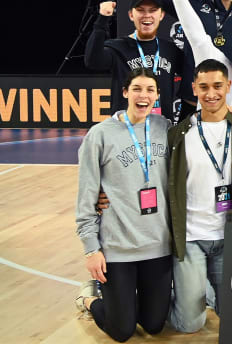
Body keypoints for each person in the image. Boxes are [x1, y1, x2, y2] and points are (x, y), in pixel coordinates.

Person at [75, 69, 171, 342]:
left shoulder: (165, 127)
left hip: (158, 245)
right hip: (118, 249)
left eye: (150, 90)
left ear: (157, 95)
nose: (144, 95)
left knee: (153, 325)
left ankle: (131, 302)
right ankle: (88, 299)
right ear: (126, 92)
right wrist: (90, 249)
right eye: (138, 89)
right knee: (122, 331)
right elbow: (86, 197)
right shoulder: (100, 135)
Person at [166, 59, 232, 333]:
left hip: (228, 237)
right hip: (191, 238)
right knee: (190, 325)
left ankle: (203, 289)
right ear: (194, 87)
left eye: (218, 86)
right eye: (204, 87)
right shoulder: (178, 134)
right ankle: (181, 293)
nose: (211, 94)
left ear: (228, 86)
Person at [85, 0, 181, 120]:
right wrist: (102, 19)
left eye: (152, 10)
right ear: (131, 15)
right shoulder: (117, 47)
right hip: (126, 128)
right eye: (140, 10)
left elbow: (193, 76)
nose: (147, 15)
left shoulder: (171, 50)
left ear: (161, 15)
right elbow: (92, 61)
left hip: (161, 128)